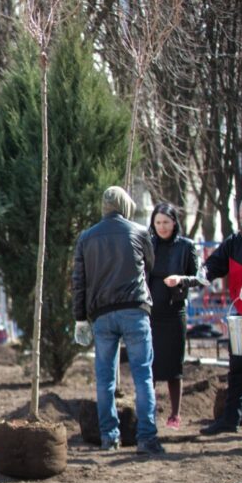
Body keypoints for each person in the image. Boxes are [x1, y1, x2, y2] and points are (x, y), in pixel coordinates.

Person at [72, 186, 162, 455]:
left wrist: (80, 319)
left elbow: (79, 281)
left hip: (102, 316)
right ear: (125, 205)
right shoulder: (139, 232)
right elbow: (151, 265)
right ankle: (147, 438)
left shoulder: (86, 238)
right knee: (143, 376)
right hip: (135, 310)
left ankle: (109, 438)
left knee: (104, 380)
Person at [165, 196, 242, 435]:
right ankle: (231, 420)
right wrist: (200, 274)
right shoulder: (233, 244)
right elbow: (213, 265)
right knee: (238, 370)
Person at [145, 203, 199, 430]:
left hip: (175, 312)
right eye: (158, 222)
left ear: (174, 222)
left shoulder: (186, 246)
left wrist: (181, 279)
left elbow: (198, 278)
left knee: (174, 364)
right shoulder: (148, 244)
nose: (162, 227)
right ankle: (150, 412)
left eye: (166, 222)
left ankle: (175, 414)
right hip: (151, 314)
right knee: (150, 364)